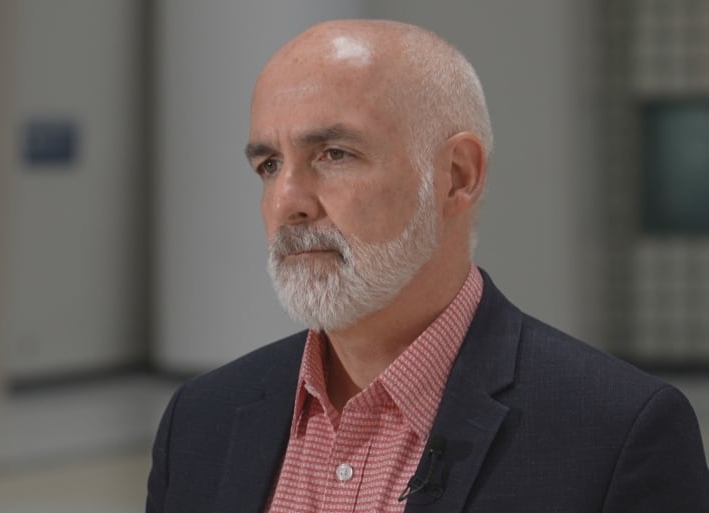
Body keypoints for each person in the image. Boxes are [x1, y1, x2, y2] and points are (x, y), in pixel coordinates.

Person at [146, 19, 709, 513]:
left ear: (457, 175)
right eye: (269, 165)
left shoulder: (615, 433)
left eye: (334, 155)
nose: (286, 201)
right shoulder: (201, 421)